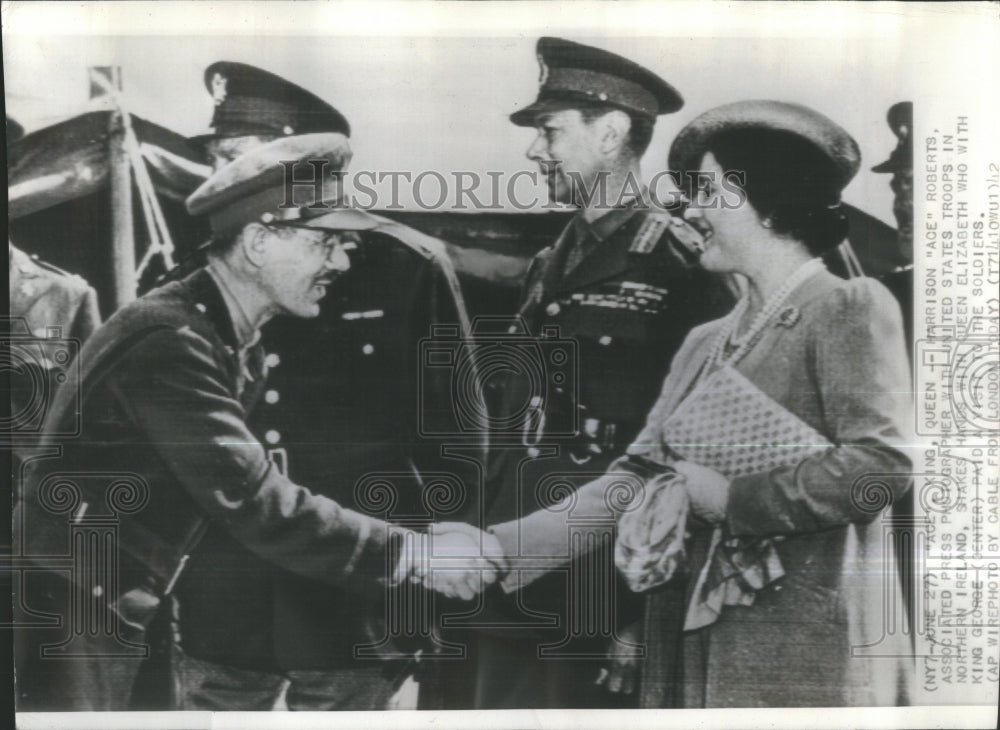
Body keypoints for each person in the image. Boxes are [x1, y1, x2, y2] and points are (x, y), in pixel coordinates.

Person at [13, 133, 502, 712]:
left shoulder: (215, 324)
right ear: (259, 241)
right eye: (328, 244)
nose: (343, 262)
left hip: (117, 598)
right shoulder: (174, 339)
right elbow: (253, 498)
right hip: (79, 612)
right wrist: (413, 555)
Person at [488, 100, 915, 707]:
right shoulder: (704, 341)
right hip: (688, 634)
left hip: (795, 644)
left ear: (766, 203)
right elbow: (637, 476)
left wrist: (733, 499)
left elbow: (883, 466)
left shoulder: (848, 307)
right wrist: (502, 547)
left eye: (708, 191)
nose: (690, 209)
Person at [435, 38, 733, 710]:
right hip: (513, 556)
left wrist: (642, 609)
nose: (535, 152)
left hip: (603, 578)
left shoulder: (678, 264)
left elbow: (697, 450)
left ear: (612, 133)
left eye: (550, 132)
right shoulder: (550, 262)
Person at [178, 61, 482, 711]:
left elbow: (455, 433)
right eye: (215, 160)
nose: (217, 178)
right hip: (229, 580)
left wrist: (441, 566)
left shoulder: (401, 264)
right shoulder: (201, 269)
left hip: (357, 585)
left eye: (233, 156)